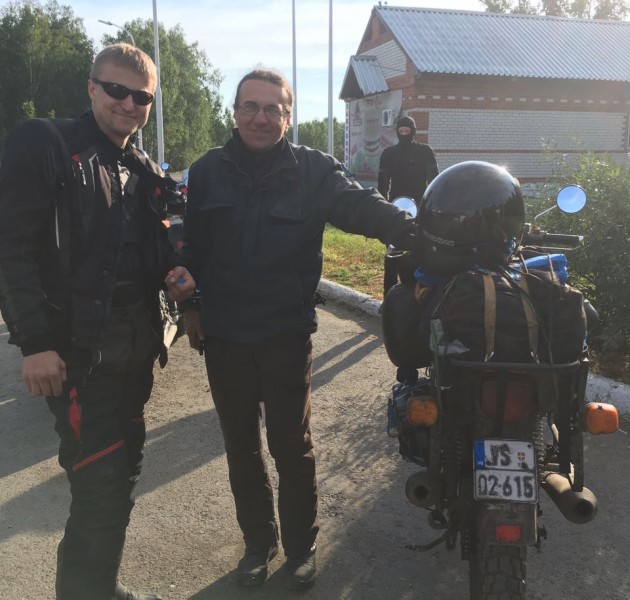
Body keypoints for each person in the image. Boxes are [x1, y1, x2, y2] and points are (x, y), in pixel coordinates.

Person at [182, 69, 416, 590]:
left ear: (288, 117)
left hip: (285, 336)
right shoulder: (206, 172)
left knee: (291, 447)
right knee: (241, 446)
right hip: (224, 337)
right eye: (251, 106)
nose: (261, 117)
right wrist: (190, 310)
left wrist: (412, 230)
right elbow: (190, 248)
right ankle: (257, 544)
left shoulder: (314, 171)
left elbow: (360, 206)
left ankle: (300, 548)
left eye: (273, 109)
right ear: (235, 112)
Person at [0, 43, 195, 600]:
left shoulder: (143, 169)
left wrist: (177, 274)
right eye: (116, 90)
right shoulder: (47, 143)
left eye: (141, 97)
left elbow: (148, 252)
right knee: (100, 488)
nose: (128, 104)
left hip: (134, 353)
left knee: (120, 478)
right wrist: (34, 343)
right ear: (92, 88)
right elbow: (11, 248)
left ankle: (100, 588)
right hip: (78, 357)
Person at [377, 115, 438, 296]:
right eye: (401, 131)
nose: (404, 134)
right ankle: (388, 296)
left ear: (413, 131)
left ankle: (417, 292)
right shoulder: (388, 154)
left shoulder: (425, 151)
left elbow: (434, 181)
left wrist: (432, 205)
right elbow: (382, 184)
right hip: (396, 207)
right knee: (392, 252)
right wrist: (383, 207)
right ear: (397, 132)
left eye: (407, 131)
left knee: (418, 250)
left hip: (420, 207)